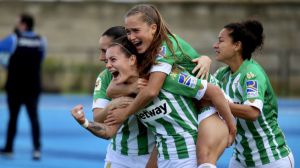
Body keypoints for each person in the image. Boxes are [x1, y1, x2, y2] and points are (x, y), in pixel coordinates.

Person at [104, 4, 236, 168]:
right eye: (128, 31)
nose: (131, 36)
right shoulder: (142, 50)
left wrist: (232, 128)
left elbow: (152, 90)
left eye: (135, 30)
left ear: (153, 28)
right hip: (191, 104)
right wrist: (131, 87)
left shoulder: (164, 48)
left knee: (205, 161)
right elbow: (110, 90)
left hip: (211, 104)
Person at [77, 36, 233, 167]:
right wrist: (84, 122)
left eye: (112, 58)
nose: (106, 63)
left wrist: (232, 127)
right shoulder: (124, 91)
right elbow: (109, 129)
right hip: (161, 154)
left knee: (206, 160)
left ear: (132, 59)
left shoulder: (167, 78)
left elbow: (214, 91)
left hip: (187, 152)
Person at [71, 26, 158, 168]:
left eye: (106, 51)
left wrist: (204, 59)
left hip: (157, 154)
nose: (102, 58)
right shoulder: (106, 77)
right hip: (119, 155)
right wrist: (113, 104)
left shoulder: (155, 75)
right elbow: (100, 120)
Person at [213, 20, 294, 168]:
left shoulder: (251, 74)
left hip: (271, 159)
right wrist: (203, 60)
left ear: (237, 45)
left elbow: (252, 112)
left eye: (220, 41)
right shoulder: (221, 75)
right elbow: (200, 91)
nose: (215, 45)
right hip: (240, 160)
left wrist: (219, 104)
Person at [0, 13, 46, 160]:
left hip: (15, 86)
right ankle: (37, 149)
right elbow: (40, 59)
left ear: (24, 25)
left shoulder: (14, 38)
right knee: (34, 117)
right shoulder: (41, 41)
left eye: (18, 22)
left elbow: (1, 50)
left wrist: (6, 64)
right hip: (33, 86)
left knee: (13, 117)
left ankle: (9, 148)